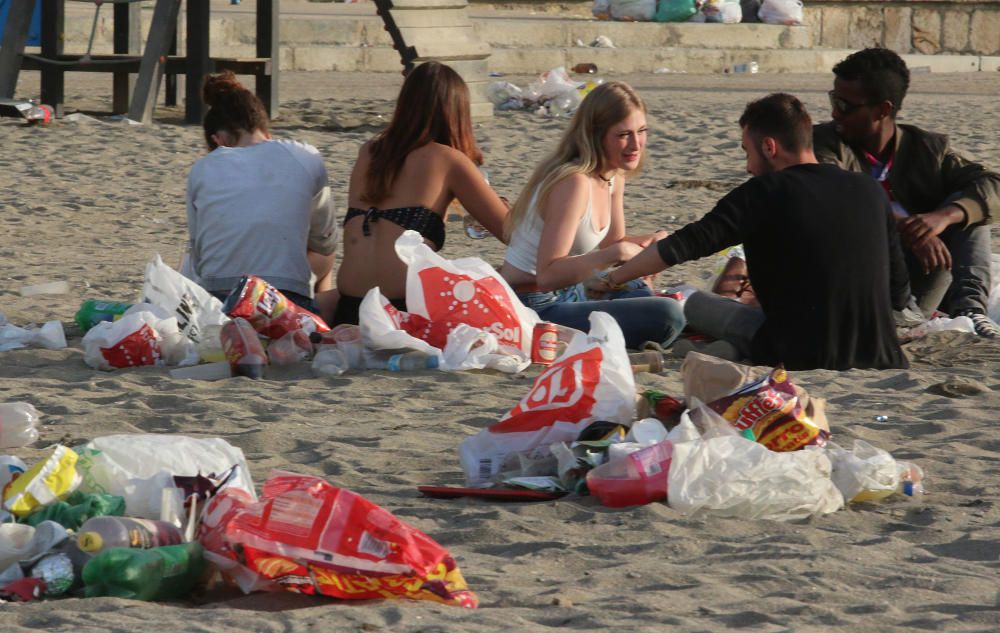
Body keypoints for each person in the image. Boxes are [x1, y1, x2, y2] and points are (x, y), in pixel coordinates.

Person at [599, 93, 910, 370]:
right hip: (879, 351)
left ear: (769, 147)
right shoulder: (868, 189)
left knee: (692, 300)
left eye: (747, 152)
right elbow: (898, 289)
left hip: (798, 351)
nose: (748, 166)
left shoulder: (764, 191)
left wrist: (613, 279)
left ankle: (733, 347)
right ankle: (729, 348)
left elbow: (683, 245)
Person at [814, 47, 999, 338]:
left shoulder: (927, 150)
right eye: (833, 100)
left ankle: (971, 312)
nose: (835, 112)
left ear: (883, 110)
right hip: (865, 285)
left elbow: (992, 185)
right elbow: (836, 191)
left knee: (969, 205)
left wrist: (942, 218)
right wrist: (909, 228)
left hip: (922, 282)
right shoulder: (825, 144)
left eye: (845, 104)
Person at [498, 81, 685, 350]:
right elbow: (547, 275)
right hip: (534, 304)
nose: (636, 144)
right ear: (596, 135)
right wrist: (617, 253)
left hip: (572, 290)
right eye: (624, 135)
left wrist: (655, 245)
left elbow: (612, 242)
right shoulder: (573, 183)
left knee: (639, 289)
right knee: (667, 314)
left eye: (641, 131)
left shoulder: (612, 174)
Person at [333, 61, 510, 325]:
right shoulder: (448, 159)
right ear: (456, 112)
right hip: (404, 312)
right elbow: (512, 232)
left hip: (350, 309)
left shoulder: (369, 152)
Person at [186, 71, 338, 316]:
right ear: (265, 130)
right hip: (283, 297)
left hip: (218, 297)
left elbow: (199, 250)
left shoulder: (203, 168)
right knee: (324, 255)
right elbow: (326, 241)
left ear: (219, 140)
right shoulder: (304, 155)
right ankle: (316, 324)